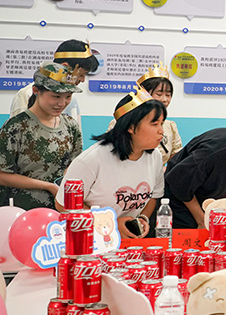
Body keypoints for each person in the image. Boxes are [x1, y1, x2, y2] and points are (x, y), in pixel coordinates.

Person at [55, 86, 165, 238]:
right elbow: (63, 204)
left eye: (162, 123)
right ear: (131, 127)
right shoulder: (92, 159)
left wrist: (141, 220)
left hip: (129, 241)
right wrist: (110, 224)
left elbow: (154, 196)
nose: (161, 131)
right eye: (154, 124)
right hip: (91, 239)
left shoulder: (155, 156)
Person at [0, 62, 83, 210]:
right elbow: (2, 175)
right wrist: (48, 186)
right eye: (56, 96)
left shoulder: (70, 126)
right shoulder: (16, 127)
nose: (62, 103)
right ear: (36, 90)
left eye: (68, 96)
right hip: (22, 210)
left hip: (59, 209)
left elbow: (74, 164)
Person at [10, 39, 99, 129]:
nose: (83, 80)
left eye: (68, 96)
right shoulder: (26, 94)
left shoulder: (72, 98)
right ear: (65, 66)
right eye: (81, 74)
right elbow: (17, 131)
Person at [108, 62, 182, 165]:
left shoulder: (170, 126)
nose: (164, 100)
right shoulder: (121, 122)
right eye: (159, 94)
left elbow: (176, 156)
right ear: (144, 94)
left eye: (168, 95)